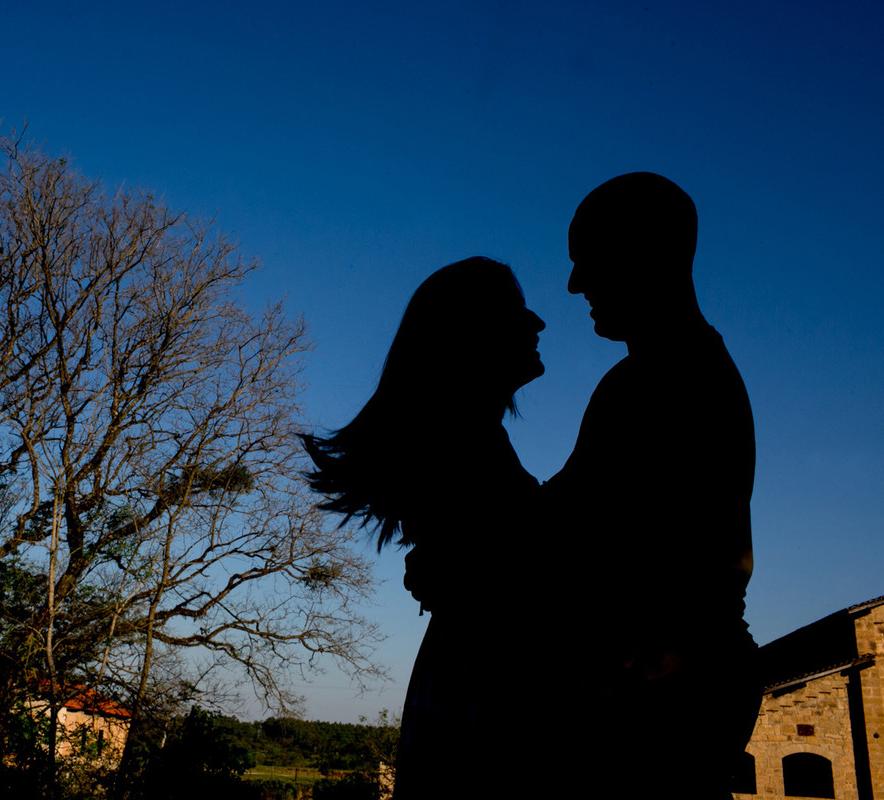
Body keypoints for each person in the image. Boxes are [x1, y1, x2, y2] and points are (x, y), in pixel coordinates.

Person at [544, 173, 761, 798]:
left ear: (646, 254)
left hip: (661, 697)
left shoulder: (670, 379)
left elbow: (566, 522)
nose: (574, 284)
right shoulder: (654, 375)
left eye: (587, 261)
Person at [302, 256, 546, 798]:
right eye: (514, 311)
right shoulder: (463, 449)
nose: (537, 324)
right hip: (483, 701)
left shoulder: (467, 443)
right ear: (468, 335)